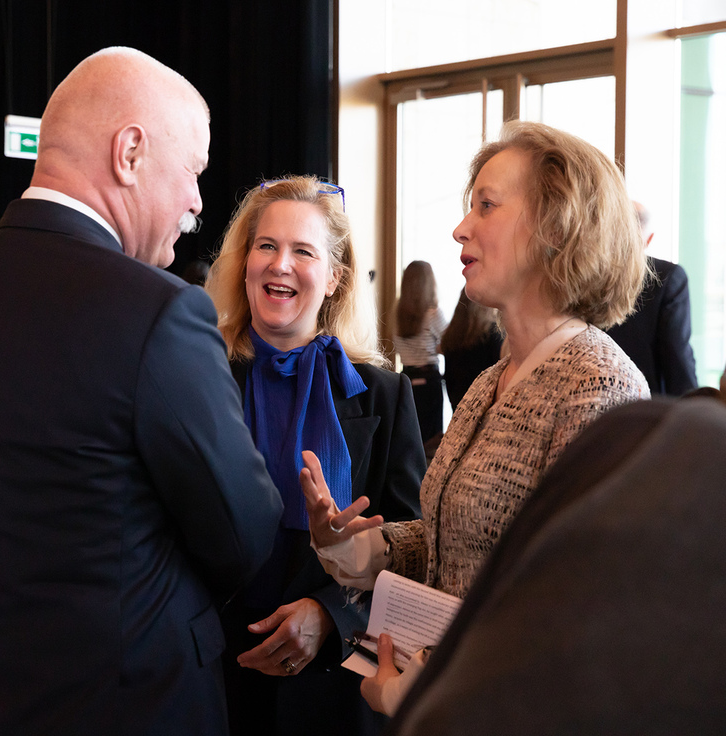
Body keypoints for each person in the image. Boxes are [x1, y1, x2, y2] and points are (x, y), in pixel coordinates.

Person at [0, 47, 282, 736]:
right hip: (129, 706)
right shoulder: (161, 314)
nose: (196, 201)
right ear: (130, 153)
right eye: (191, 171)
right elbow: (243, 533)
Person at [300, 120, 651, 712]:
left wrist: (426, 697)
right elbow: (457, 544)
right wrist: (357, 548)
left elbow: (578, 616)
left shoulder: (599, 387)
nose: (461, 227)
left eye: (486, 206)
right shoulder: (493, 380)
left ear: (556, 229)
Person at [204, 176, 425, 736]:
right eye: (266, 246)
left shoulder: (383, 393)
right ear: (244, 263)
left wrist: (330, 613)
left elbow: (412, 545)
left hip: (333, 688)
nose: (280, 265)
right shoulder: (197, 376)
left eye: (303, 251)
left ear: (334, 278)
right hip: (211, 671)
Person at [384, 396, 726, 735]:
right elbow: (454, 527)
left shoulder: (618, 404)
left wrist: (417, 697)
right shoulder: (487, 385)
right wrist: (379, 547)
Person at [605, 201, 698, 395]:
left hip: (594, 401)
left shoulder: (582, 275)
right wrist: (694, 410)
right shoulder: (669, 277)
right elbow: (677, 354)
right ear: (649, 239)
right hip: (649, 409)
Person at [393, 261, 447, 443]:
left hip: (406, 379)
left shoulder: (397, 314)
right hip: (428, 380)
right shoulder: (433, 314)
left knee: (411, 437)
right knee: (432, 439)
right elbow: (450, 344)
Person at [440, 288, 503, 411]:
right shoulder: (492, 334)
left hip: (459, 405)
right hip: (485, 407)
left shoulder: (451, 335)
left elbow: (449, 379)